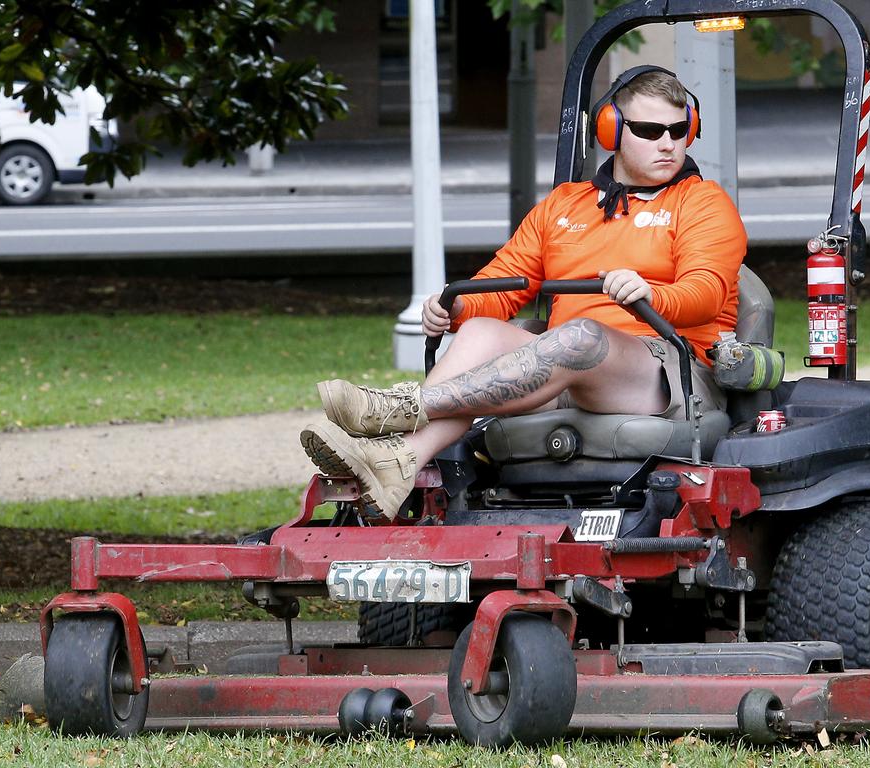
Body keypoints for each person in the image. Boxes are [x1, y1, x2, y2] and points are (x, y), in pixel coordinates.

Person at [300, 66, 748, 518]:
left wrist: (649, 294)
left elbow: (706, 292)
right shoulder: (563, 205)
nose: (668, 143)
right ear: (611, 130)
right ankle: (400, 462)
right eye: (651, 131)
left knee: (580, 336)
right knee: (479, 333)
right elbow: (503, 281)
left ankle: (394, 410)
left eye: (678, 130)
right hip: (562, 367)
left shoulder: (704, 203)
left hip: (668, 369)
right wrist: (452, 308)